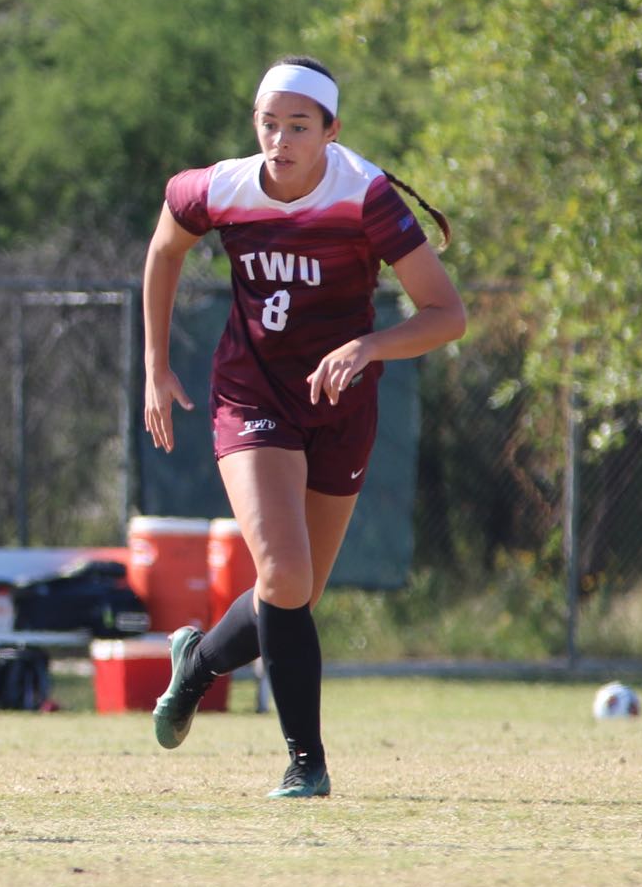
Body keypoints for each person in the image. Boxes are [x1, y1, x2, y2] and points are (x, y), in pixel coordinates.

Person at [142, 57, 465, 798]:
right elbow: (164, 249)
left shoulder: (366, 197)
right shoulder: (219, 187)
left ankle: (195, 665)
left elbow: (448, 314)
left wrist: (369, 346)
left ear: (330, 131)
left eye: (299, 126)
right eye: (268, 122)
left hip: (341, 405)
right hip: (253, 393)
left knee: (294, 593)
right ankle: (305, 764)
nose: (280, 139)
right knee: (284, 576)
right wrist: (156, 366)